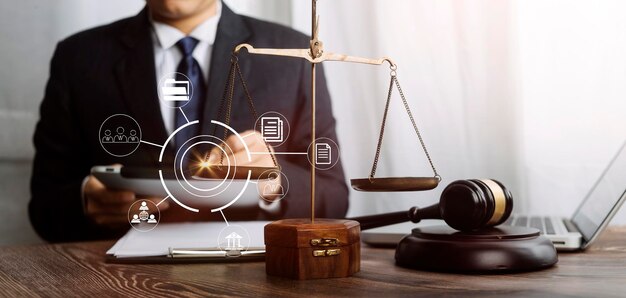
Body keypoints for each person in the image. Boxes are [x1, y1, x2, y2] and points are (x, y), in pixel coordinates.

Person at [29, 0, 349, 242]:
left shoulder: (290, 54)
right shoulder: (79, 57)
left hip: (252, 271)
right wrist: (86, 202)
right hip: (117, 277)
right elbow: (44, 204)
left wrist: (275, 183)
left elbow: (333, 196)